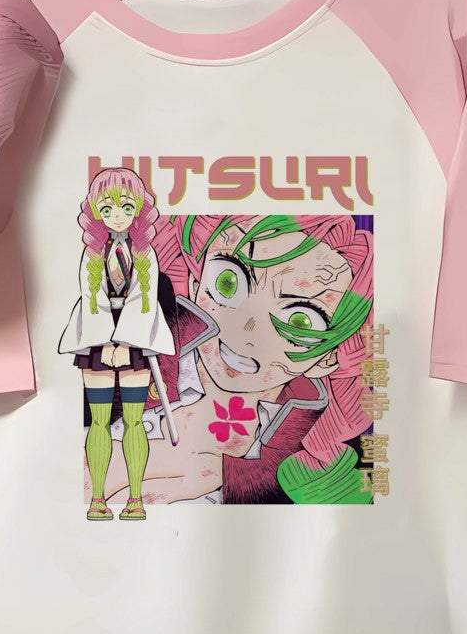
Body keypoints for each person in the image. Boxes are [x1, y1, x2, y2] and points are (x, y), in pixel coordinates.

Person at [97, 213, 375, 505]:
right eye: (227, 282)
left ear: (328, 358)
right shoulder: (130, 348)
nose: (246, 332)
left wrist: (232, 477)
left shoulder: (304, 464)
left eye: (300, 322)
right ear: (195, 281)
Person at [58, 168, 176, 520]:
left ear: (139, 208)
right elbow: (90, 297)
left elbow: (144, 299)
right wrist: (106, 342)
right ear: (95, 211)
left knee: (134, 421)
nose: (118, 216)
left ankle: (136, 499)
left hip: (135, 339)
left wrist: (125, 342)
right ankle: (97, 498)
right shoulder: (92, 253)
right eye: (107, 209)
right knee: (99, 421)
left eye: (126, 207)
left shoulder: (145, 253)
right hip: (97, 338)